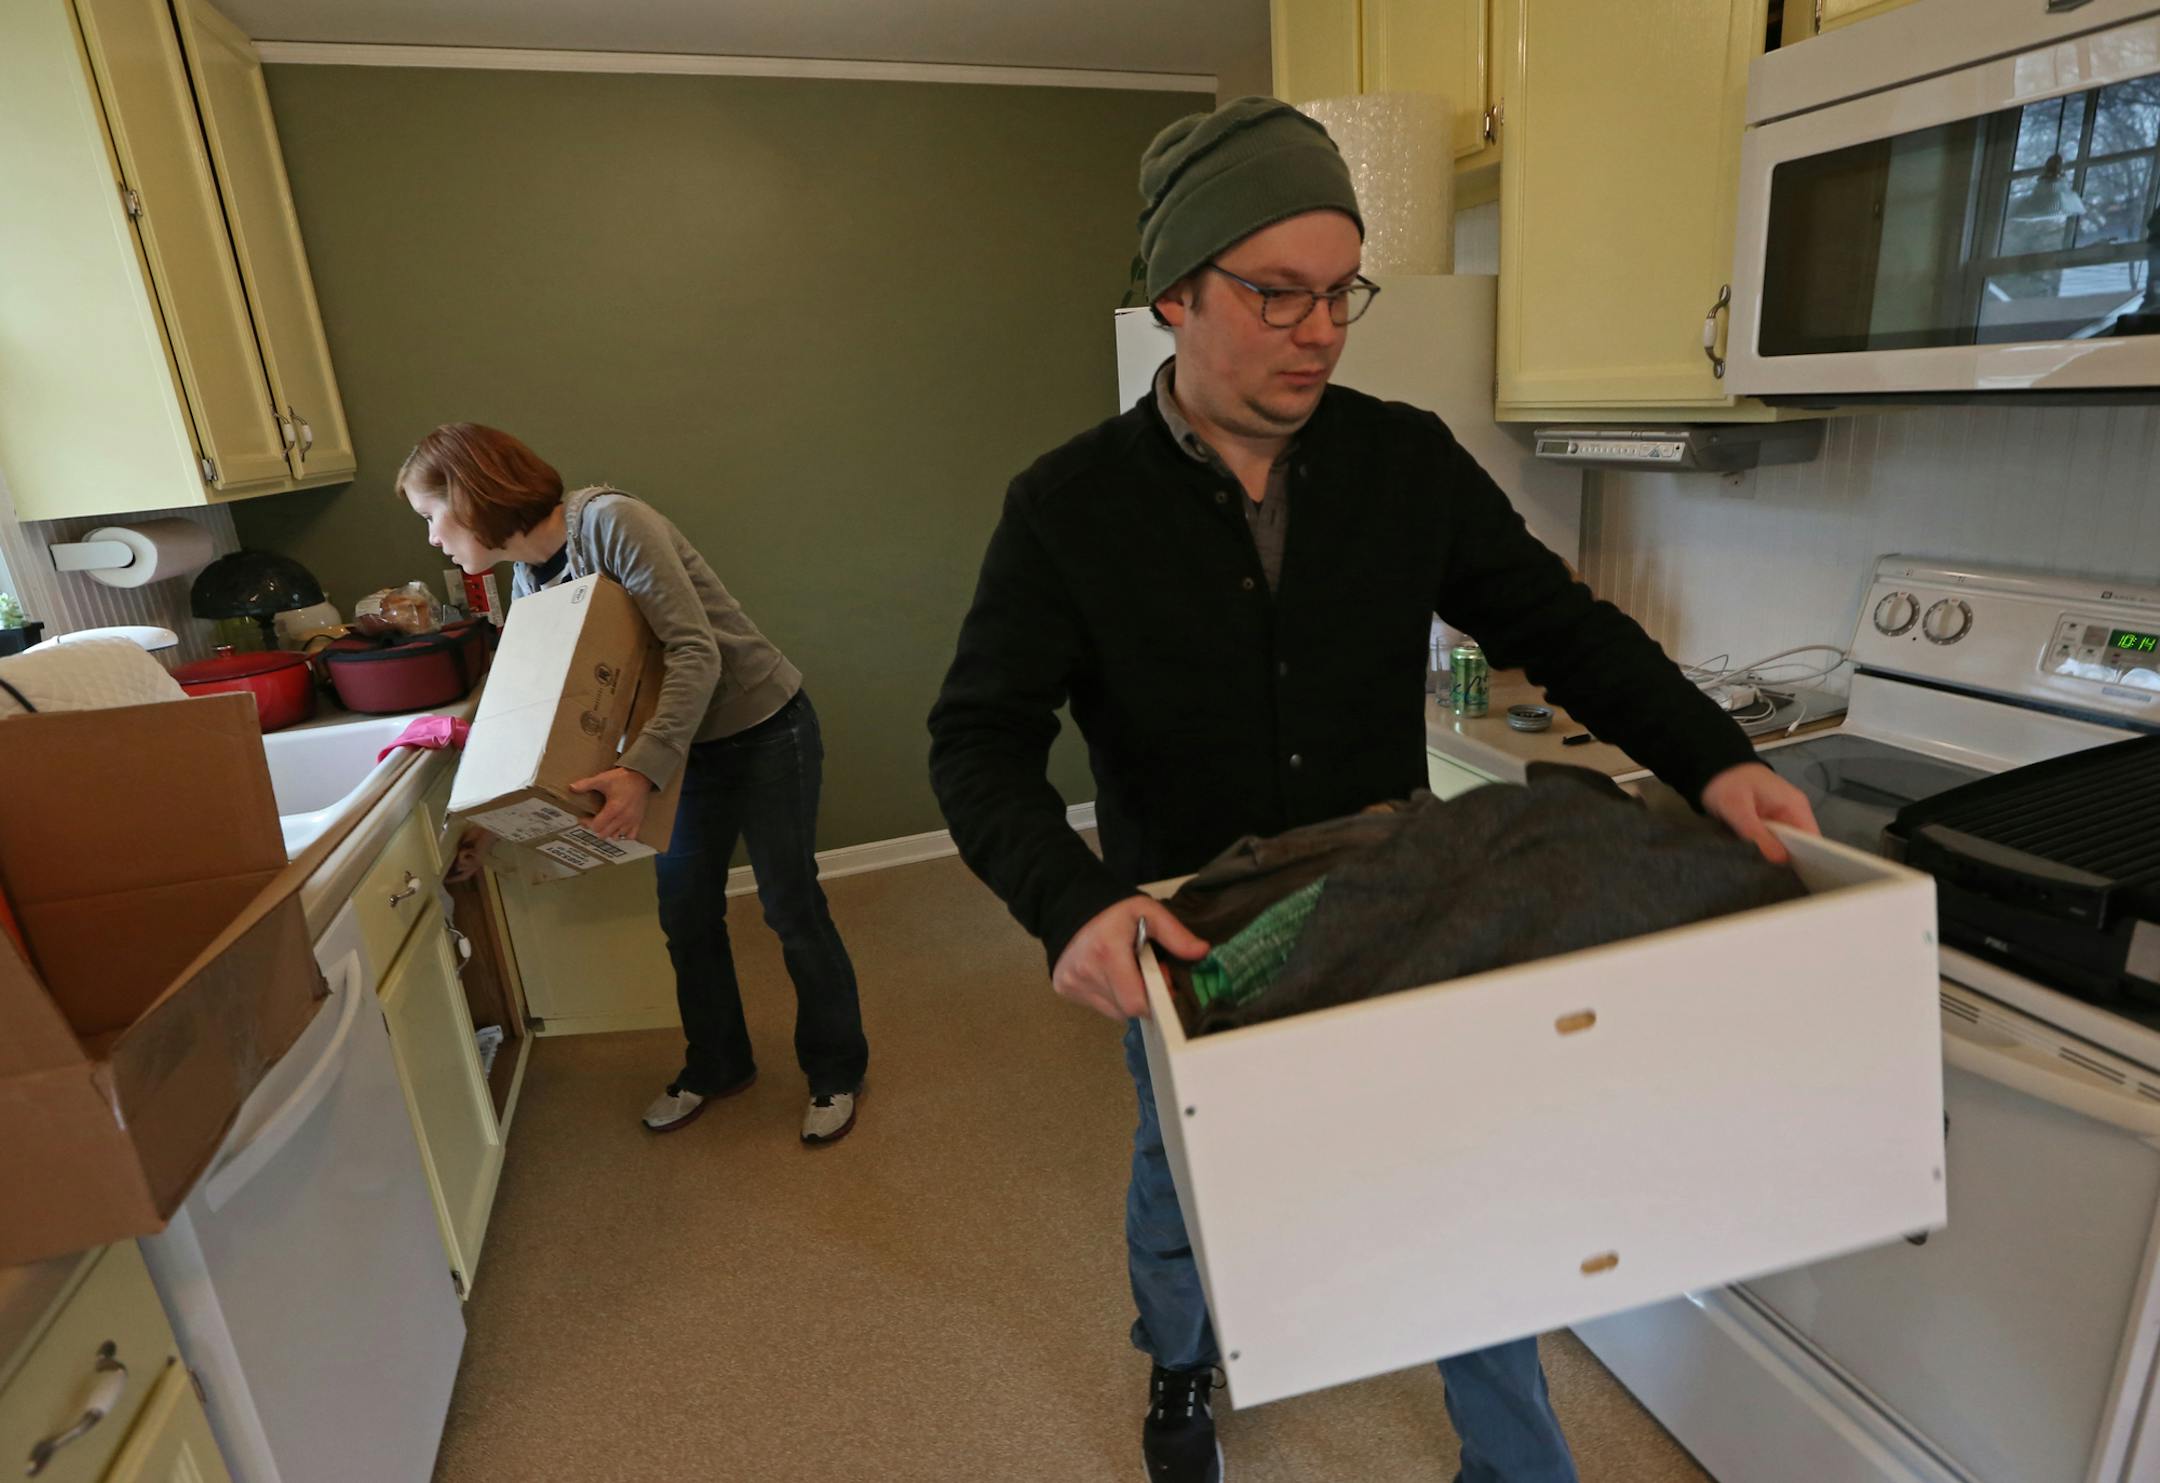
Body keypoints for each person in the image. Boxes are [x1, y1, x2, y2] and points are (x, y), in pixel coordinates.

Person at [926, 98, 1819, 1483]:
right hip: (1197, 928)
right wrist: (1071, 904)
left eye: (1341, 290)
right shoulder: (1066, 507)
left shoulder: (1403, 459)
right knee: (1185, 1181)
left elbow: (1562, 625)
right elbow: (977, 741)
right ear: (1174, 291)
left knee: (1471, 1178)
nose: (1322, 329)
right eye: (1277, 292)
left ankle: (1517, 1467)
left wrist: (1719, 759)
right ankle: (1180, 1359)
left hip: (1400, 899)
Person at [405, 423, 869, 1145]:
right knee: (686, 914)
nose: (432, 538)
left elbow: (697, 652)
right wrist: (492, 826)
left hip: (762, 726)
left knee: (790, 905)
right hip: (682, 752)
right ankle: (719, 1063)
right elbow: (552, 727)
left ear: (471, 497)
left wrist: (639, 773)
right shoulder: (532, 583)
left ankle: (837, 1068)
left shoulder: (613, 523)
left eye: (431, 515)